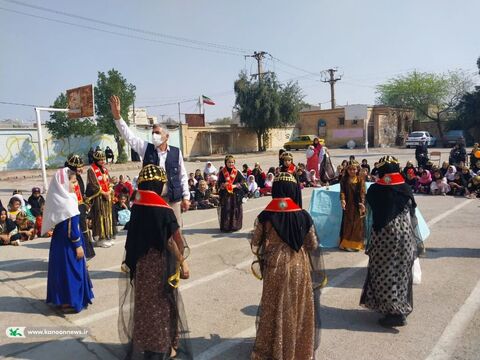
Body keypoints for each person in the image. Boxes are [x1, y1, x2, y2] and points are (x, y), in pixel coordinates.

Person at [118, 165, 191, 360]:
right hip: (160, 266)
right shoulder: (163, 210)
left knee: (144, 305)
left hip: (141, 266)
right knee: (163, 306)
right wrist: (182, 262)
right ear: (158, 184)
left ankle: (145, 344)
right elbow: (174, 241)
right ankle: (165, 346)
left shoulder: (138, 205)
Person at [250, 172, 324, 360]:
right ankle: (297, 350)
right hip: (298, 266)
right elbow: (313, 244)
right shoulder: (303, 216)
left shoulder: (266, 215)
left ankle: (272, 350)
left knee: (273, 307)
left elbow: (255, 241)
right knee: (296, 308)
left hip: (274, 266)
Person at [110, 95, 191, 226]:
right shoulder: (146, 149)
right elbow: (129, 136)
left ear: (167, 136)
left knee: (175, 231)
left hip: (173, 199)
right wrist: (117, 117)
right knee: (156, 233)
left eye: (158, 133)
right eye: (153, 132)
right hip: (153, 199)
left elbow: (182, 175)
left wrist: (186, 197)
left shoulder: (176, 152)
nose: (154, 136)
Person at [361, 156, 419, 327]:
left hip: (383, 235)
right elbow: (412, 210)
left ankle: (392, 312)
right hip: (405, 235)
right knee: (400, 271)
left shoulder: (374, 190)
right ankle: (399, 307)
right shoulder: (405, 188)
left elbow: (370, 210)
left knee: (383, 271)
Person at [44, 167, 94, 313]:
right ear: (64, 184)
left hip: (58, 242)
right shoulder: (68, 201)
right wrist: (78, 245)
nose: (75, 185)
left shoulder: (58, 197)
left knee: (60, 270)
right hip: (69, 244)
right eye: (72, 182)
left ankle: (61, 299)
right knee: (71, 271)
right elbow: (71, 228)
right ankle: (69, 301)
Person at [65, 154, 95, 259]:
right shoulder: (68, 178)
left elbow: (81, 194)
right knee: (77, 230)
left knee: (84, 228)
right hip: (74, 208)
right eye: (78, 167)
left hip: (80, 207)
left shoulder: (77, 177)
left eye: (81, 167)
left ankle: (87, 252)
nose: (81, 169)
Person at [85, 150, 114, 248]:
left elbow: (109, 181)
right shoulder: (91, 170)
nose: (102, 161)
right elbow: (93, 185)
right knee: (100, 216)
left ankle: (106, 236)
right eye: (100, 159)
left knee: (107, 216)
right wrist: (103, 192)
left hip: (107, 197)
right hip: (98, 199)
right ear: (96, 160)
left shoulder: (105, 170)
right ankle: (100, 238)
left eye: (103, 159)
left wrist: (109, 190)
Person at [339, 161, 366, 251]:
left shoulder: (360, 179)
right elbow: (342, 191)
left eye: (354, 169)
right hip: (348, 205)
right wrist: (342, 200)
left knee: (357, 224)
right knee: (348, 224)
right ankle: (346, 244)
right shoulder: (344, 179)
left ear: (357, 169)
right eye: (350, 169)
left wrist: (362, 203)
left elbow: (362, 192)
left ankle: (356, 245)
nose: (352, 171)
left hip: (357, 204)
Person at [217, 155, 245, 232]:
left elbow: (242, 181)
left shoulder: (237, 172)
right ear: (226, 163)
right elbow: (219, 182)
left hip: (235, 194)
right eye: (229, 162)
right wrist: (223, 185)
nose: (231, 164)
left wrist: (235, 185)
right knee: (226, 210)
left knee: (235, 209)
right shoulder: (222, 172)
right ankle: (226, 227)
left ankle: (235, 226)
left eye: (232, 162)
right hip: (226, 194)